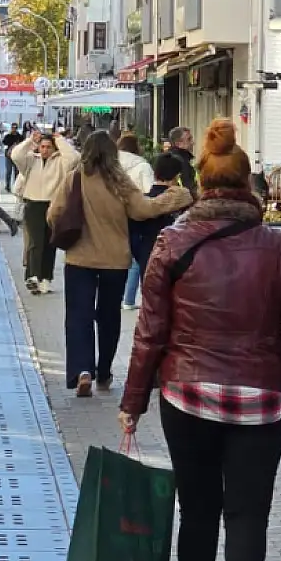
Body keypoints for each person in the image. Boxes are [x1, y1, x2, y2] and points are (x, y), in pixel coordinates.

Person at [118, 119, 281, 561]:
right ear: (248, 183)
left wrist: (133, 401)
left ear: (202, 183)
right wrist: (276, 364)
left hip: (187, 393)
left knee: (198, 506)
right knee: (249, 508)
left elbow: (150, 332)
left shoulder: (173, 242)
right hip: (263, 398)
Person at [49, 129, 192, 396]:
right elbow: (144, 210)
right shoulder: (121, 182)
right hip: (115, 261)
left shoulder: (74, 179)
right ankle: (103, 372)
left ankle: (82, 370)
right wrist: (176, 197)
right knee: (108, 316)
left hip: (79, 259)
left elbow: (53, 213)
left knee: (78, 315)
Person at [12, 129, 80, 294]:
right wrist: (30, 141)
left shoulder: (60, 162)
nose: (45, 150)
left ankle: (46, 278)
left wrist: (61, 141)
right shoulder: (30, 161)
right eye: (42, 146)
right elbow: (15, 155)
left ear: (54, 148)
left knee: (50, 243)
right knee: (35, 241)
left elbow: (74, 158)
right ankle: (33, 275)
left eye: (48, 147)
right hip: (33, 203)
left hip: (54, 205)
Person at [123, 152, 188, 310]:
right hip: (179, 267)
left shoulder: (141, 205)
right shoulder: (184, 201)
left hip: (147, 264)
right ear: (177, 176)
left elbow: (132, 240)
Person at [117, 133, 157, 309]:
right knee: (137, 257)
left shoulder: (112, 165)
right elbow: (149, 191)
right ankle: (129, 298)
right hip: (137, 215)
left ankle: (124, 297)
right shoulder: (142, 166)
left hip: (115, 213)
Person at [167, 126, 198, 195]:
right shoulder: (181, 161)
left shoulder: (167, 159)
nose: (193, 142)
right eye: (189, 139)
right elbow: (190, 190)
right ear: (178, 144)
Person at [1, 124, 25, 190]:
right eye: (13, 127)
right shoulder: (8, 135)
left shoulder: (20, 137)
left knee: (16, 172)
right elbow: (4, 142)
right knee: (8, 171)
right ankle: (7, 185)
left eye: (15, 128)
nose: (14, 129)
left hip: (17, 156)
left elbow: (23, 144)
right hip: (9, 155)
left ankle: (16, 185)